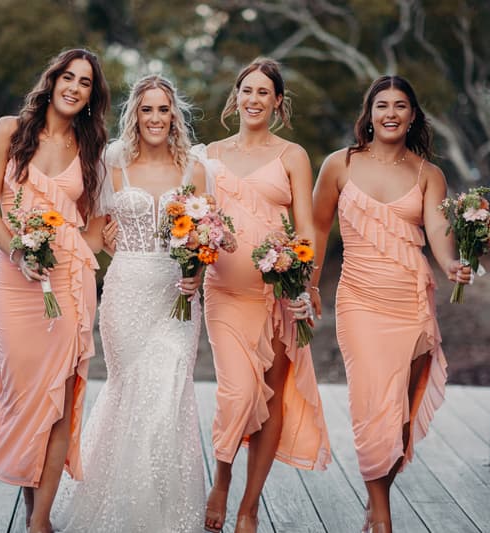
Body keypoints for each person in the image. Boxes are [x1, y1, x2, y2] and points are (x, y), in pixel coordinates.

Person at [310, 75, 472, 533]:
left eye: (401, 105)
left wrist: (453, 265)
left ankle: (378, 493)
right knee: (371, 403)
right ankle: (381, 511)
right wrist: (311, 285)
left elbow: (439, 233)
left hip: (411, 299)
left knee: (400, 410)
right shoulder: (339, 165)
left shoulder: (428, 175)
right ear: (370, 113)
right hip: (359, 298)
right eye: (382, 105)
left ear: (413, 115)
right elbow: (320, 228)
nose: (391, 113)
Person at [50, 74, 208, 533]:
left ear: (174, 115)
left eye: (163, 109)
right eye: (147, 109)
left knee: (169, 395)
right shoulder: (112, 164)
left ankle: (164, 517)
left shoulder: (193, 170)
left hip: (178, 299)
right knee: (131, 394)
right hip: (127, 294)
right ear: (134, 115)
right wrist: (58, 244)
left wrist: (196, 271)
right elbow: (95, 236)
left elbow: (209, 238)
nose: (155, 118)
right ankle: (121, 515)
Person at [0, 48, 110, 533]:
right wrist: (19, 251)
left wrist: (86, 249)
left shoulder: (91, 149)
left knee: (60, 399)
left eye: (86, 82)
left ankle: (40, 521)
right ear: (52, 81)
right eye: (68, 77)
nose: (74, 87)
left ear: (93, 95)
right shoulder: (8, 131)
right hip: (15, 283)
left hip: (70, 284)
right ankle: (33, 509)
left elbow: (94, 230)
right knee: (25, 394)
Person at [202, 58, 331, 533]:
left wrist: (304, 285)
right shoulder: (210, 154)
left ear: (278, 101)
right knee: (237, 393)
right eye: (246, 90)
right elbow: (197, 222)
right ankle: (221, 478)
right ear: (235, 96)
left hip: (279, 293)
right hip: (226, 293)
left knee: (272, 397)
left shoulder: (292, 155)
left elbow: (307, 228)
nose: (253, 99)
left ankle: (249, 506)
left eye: (264, 92)